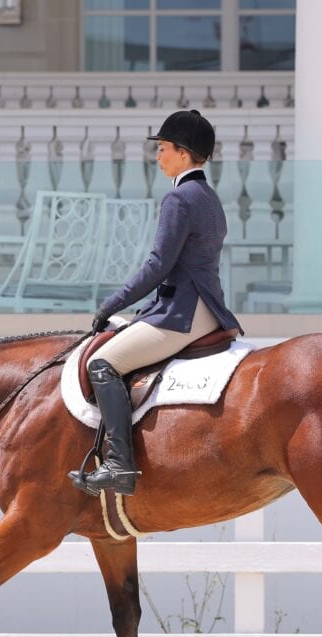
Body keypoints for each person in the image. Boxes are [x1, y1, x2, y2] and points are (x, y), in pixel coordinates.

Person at [69, 109, 243, 498]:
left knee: (102, 363)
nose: (158, 156)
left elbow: (158, 264)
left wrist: (110, 305)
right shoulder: (209, 197)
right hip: (206, 307)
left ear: (183, 153)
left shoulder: (179, 198)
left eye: (163, 148)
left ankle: (119, 464)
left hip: (183, 311)